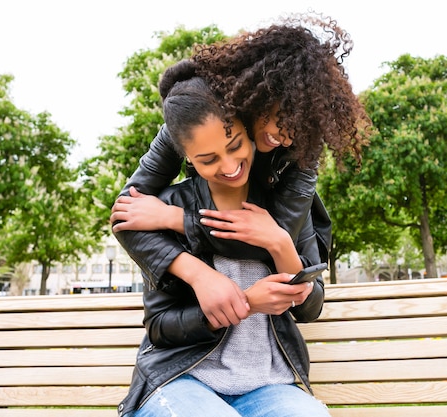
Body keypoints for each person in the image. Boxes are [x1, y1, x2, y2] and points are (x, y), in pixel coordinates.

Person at [111, 12, 371, 331]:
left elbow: (273, 239)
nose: (286, 136)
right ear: (261, 94)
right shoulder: (195, 119)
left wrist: (175, 219)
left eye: (300, 127)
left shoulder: (300, 154)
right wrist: (197, 272)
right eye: (280, 117)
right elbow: (126, 213)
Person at [118, 63, 330, 417]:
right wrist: (231, 297)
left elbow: (311, 305)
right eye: (208, 159)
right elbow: (160, 326)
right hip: (182, 379)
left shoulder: (286, 205)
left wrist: (280, 243)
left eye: (234, 146)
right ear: (187, 157)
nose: (229, 165)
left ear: (246, 130)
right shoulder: (167, 206)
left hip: (269, 384)